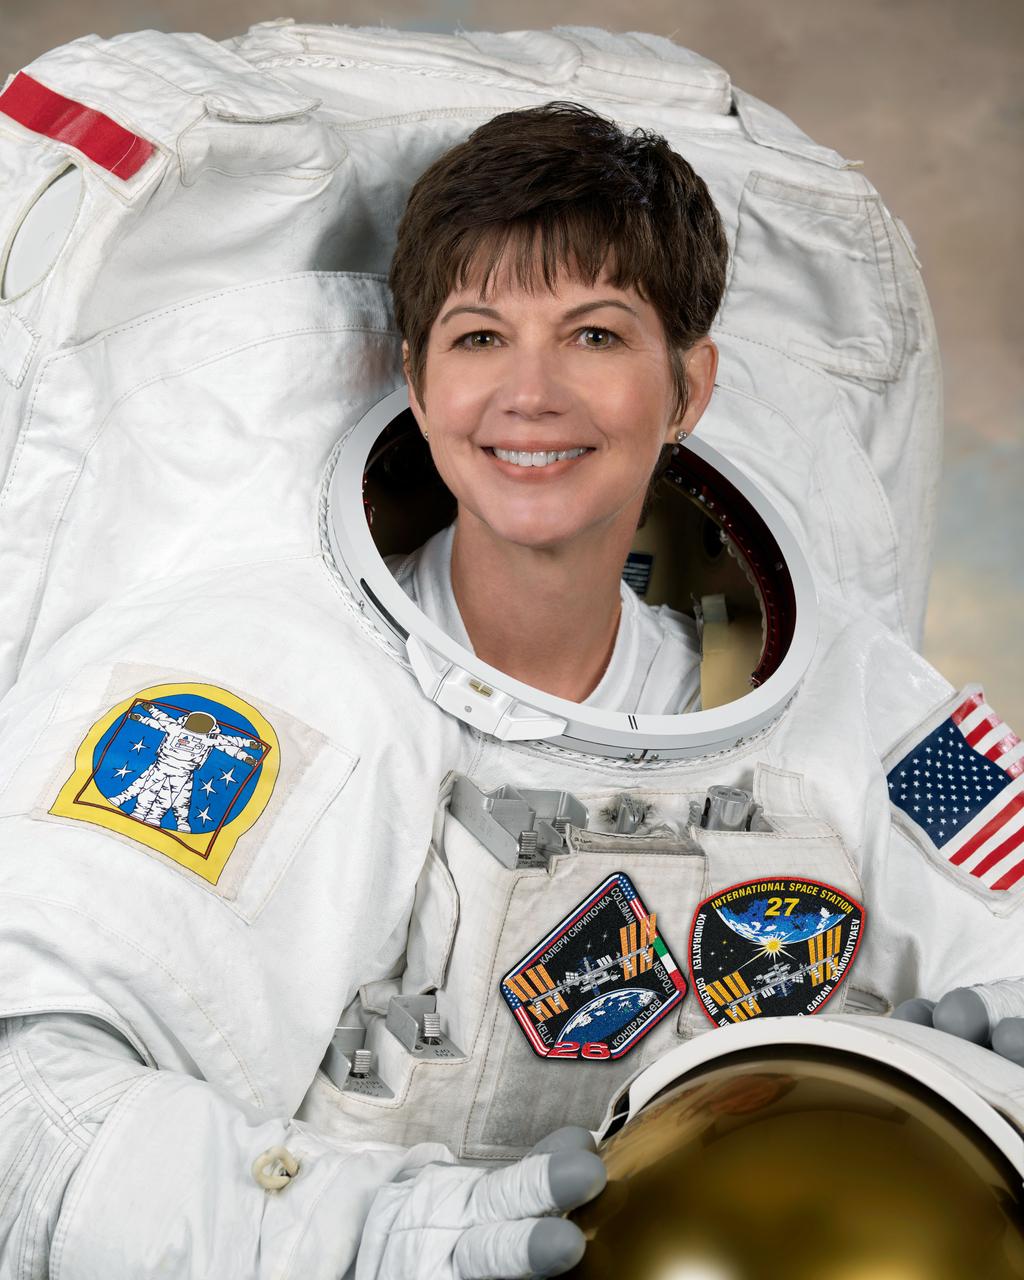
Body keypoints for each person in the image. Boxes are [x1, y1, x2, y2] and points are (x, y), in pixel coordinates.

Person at [0, 98, 1021, 1280]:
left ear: (687, 387)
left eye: (594, 334)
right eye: (480, 336)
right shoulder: (263, 687)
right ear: (416, 381)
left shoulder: (842, 691)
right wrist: (383, 1234)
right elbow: (31, 1105)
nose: (530, 394)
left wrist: (988, 1064)